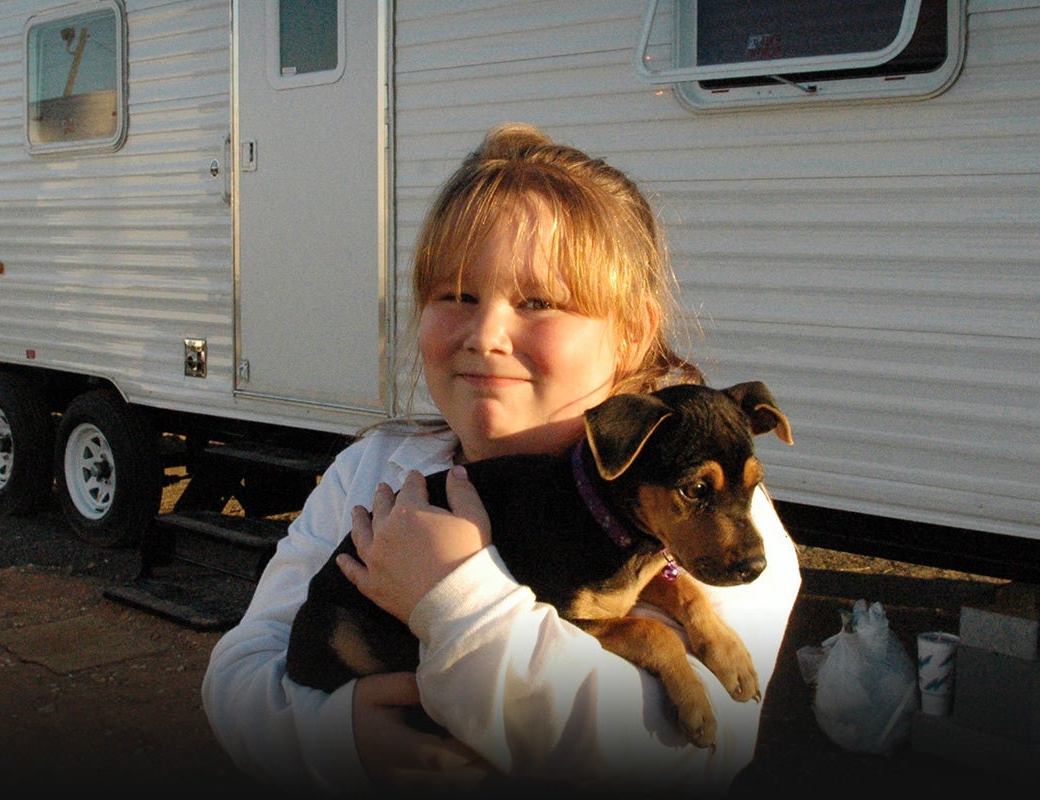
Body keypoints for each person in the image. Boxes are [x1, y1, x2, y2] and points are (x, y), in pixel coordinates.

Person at [201, 122, 802, 794]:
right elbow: (239, 672)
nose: (486, 334)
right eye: (455, 297)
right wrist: (332, 736)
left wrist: (456, 597)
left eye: (539, 303)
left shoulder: (705, 523)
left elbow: (676, 761)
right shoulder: (375, 472)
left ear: (633, 333)